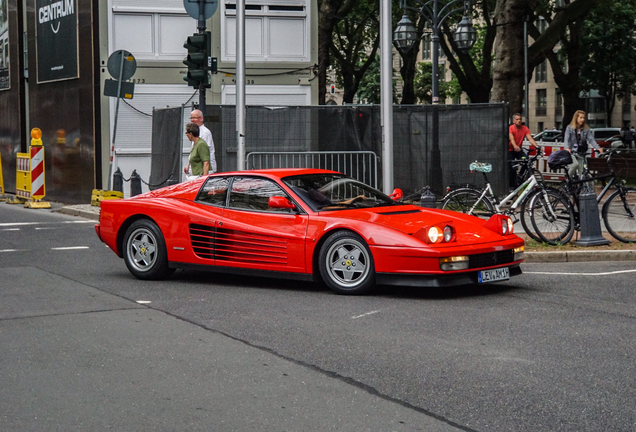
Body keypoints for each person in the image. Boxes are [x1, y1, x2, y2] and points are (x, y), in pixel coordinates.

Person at [564, 110, 603, 178]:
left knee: (582, 171)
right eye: (581, 117)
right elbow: (566, 139)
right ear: (576, 118)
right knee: (575, 164)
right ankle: (567, 179)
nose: (582, 119)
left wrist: (597, 148)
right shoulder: (569, 128)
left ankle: (583, 187)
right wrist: (567, 148)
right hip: (572, 152)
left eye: (584, 118)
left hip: (581, 152)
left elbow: (591, 139)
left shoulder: (586, 129)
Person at [508, 113, 539, 188]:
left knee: (527, 161)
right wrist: (515, 146)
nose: (519, 121)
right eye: (517, 119)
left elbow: (530, 138)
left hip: (519, 150)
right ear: (513, 121)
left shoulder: (525, 128)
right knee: (512, 167)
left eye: (520, 119)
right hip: (510, 150)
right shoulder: (511, 128)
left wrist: (537, 146)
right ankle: (512, 185)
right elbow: (511, 138)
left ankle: (520, 176)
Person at [188, 109, 217, 174]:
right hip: (197, 169)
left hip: (204, 170)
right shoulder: (195, 132)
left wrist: (204, 176)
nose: (192, 120)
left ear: (201, 118)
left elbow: (205, 155)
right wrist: (189, 165)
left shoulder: (205, 133)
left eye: (194, 118)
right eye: (191, 118)